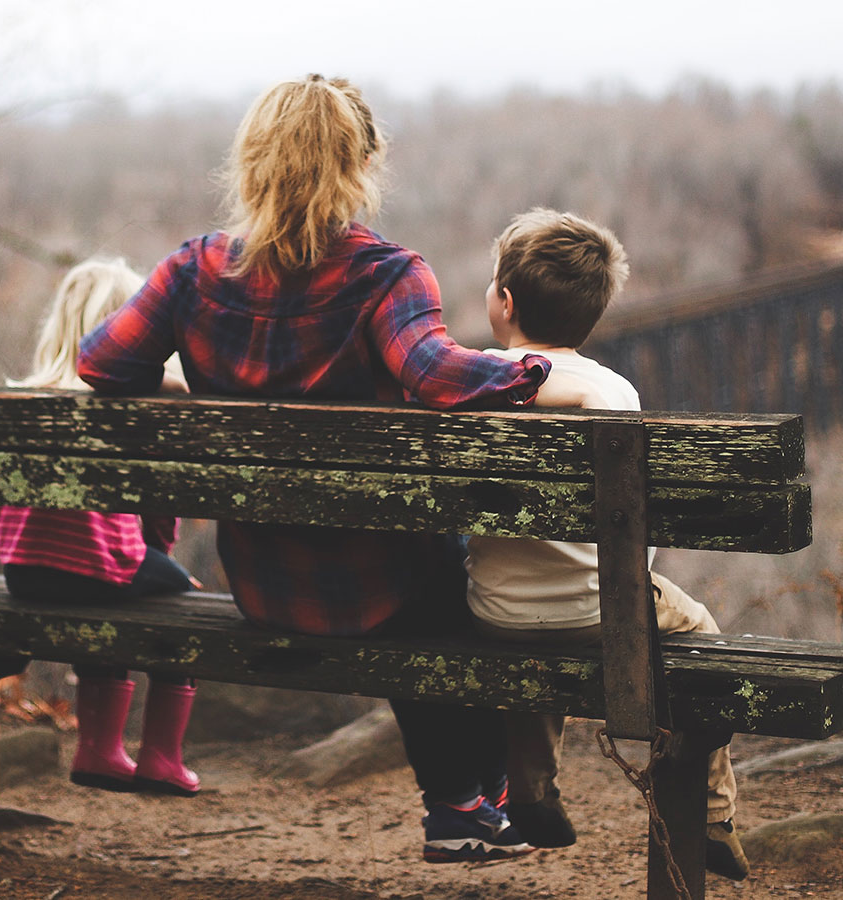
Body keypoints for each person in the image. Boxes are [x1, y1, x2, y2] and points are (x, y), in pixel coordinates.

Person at [77, 75, 593, 862]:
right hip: (381, 588)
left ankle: (472, 804)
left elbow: (100, 364)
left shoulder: (192, 271)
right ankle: (469, 803)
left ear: (250, 162)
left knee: (430, 572)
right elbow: (436, 375)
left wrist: (182, 382)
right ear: (361, 165)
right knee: (462, 580)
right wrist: (534, 374)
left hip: (263, 583)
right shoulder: (385, 275)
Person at [464, 207, 749, 880]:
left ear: (504, 302)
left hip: (495, 611)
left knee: (533, 620)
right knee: (699, 630)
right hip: (602, 610)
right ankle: (712, 813)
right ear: (590, 316)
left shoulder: (469, 380)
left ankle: (531, 791)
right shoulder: (613, 392)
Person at [0, 258, 201, 797]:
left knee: (111, 586)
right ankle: (159, 758)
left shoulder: (25, 398)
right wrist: (162, 559)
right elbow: (157, 511)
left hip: (23, 572)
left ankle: (99, 749)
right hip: (95, 568)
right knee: (182, 601)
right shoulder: (127, 404)